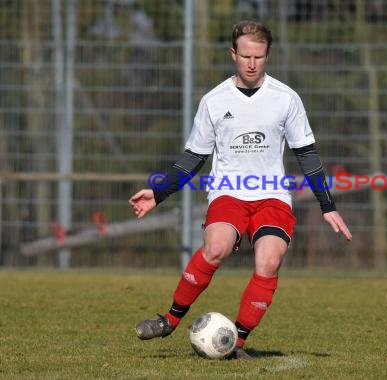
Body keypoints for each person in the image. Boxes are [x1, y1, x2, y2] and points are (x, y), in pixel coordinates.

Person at [129, 20, 352, 359]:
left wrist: (328, 205)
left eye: (259, 57)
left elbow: (306, 154)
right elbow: (195, 157)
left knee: (270, 260)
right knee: (216, 247)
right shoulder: (214, 101)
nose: (251, 63)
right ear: (233, 54)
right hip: (229, 193)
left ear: (268, 56)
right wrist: (158, 193)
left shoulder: (286, 99)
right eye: (245, 56)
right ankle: (170, 319)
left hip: (272, 196)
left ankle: (237, 342)